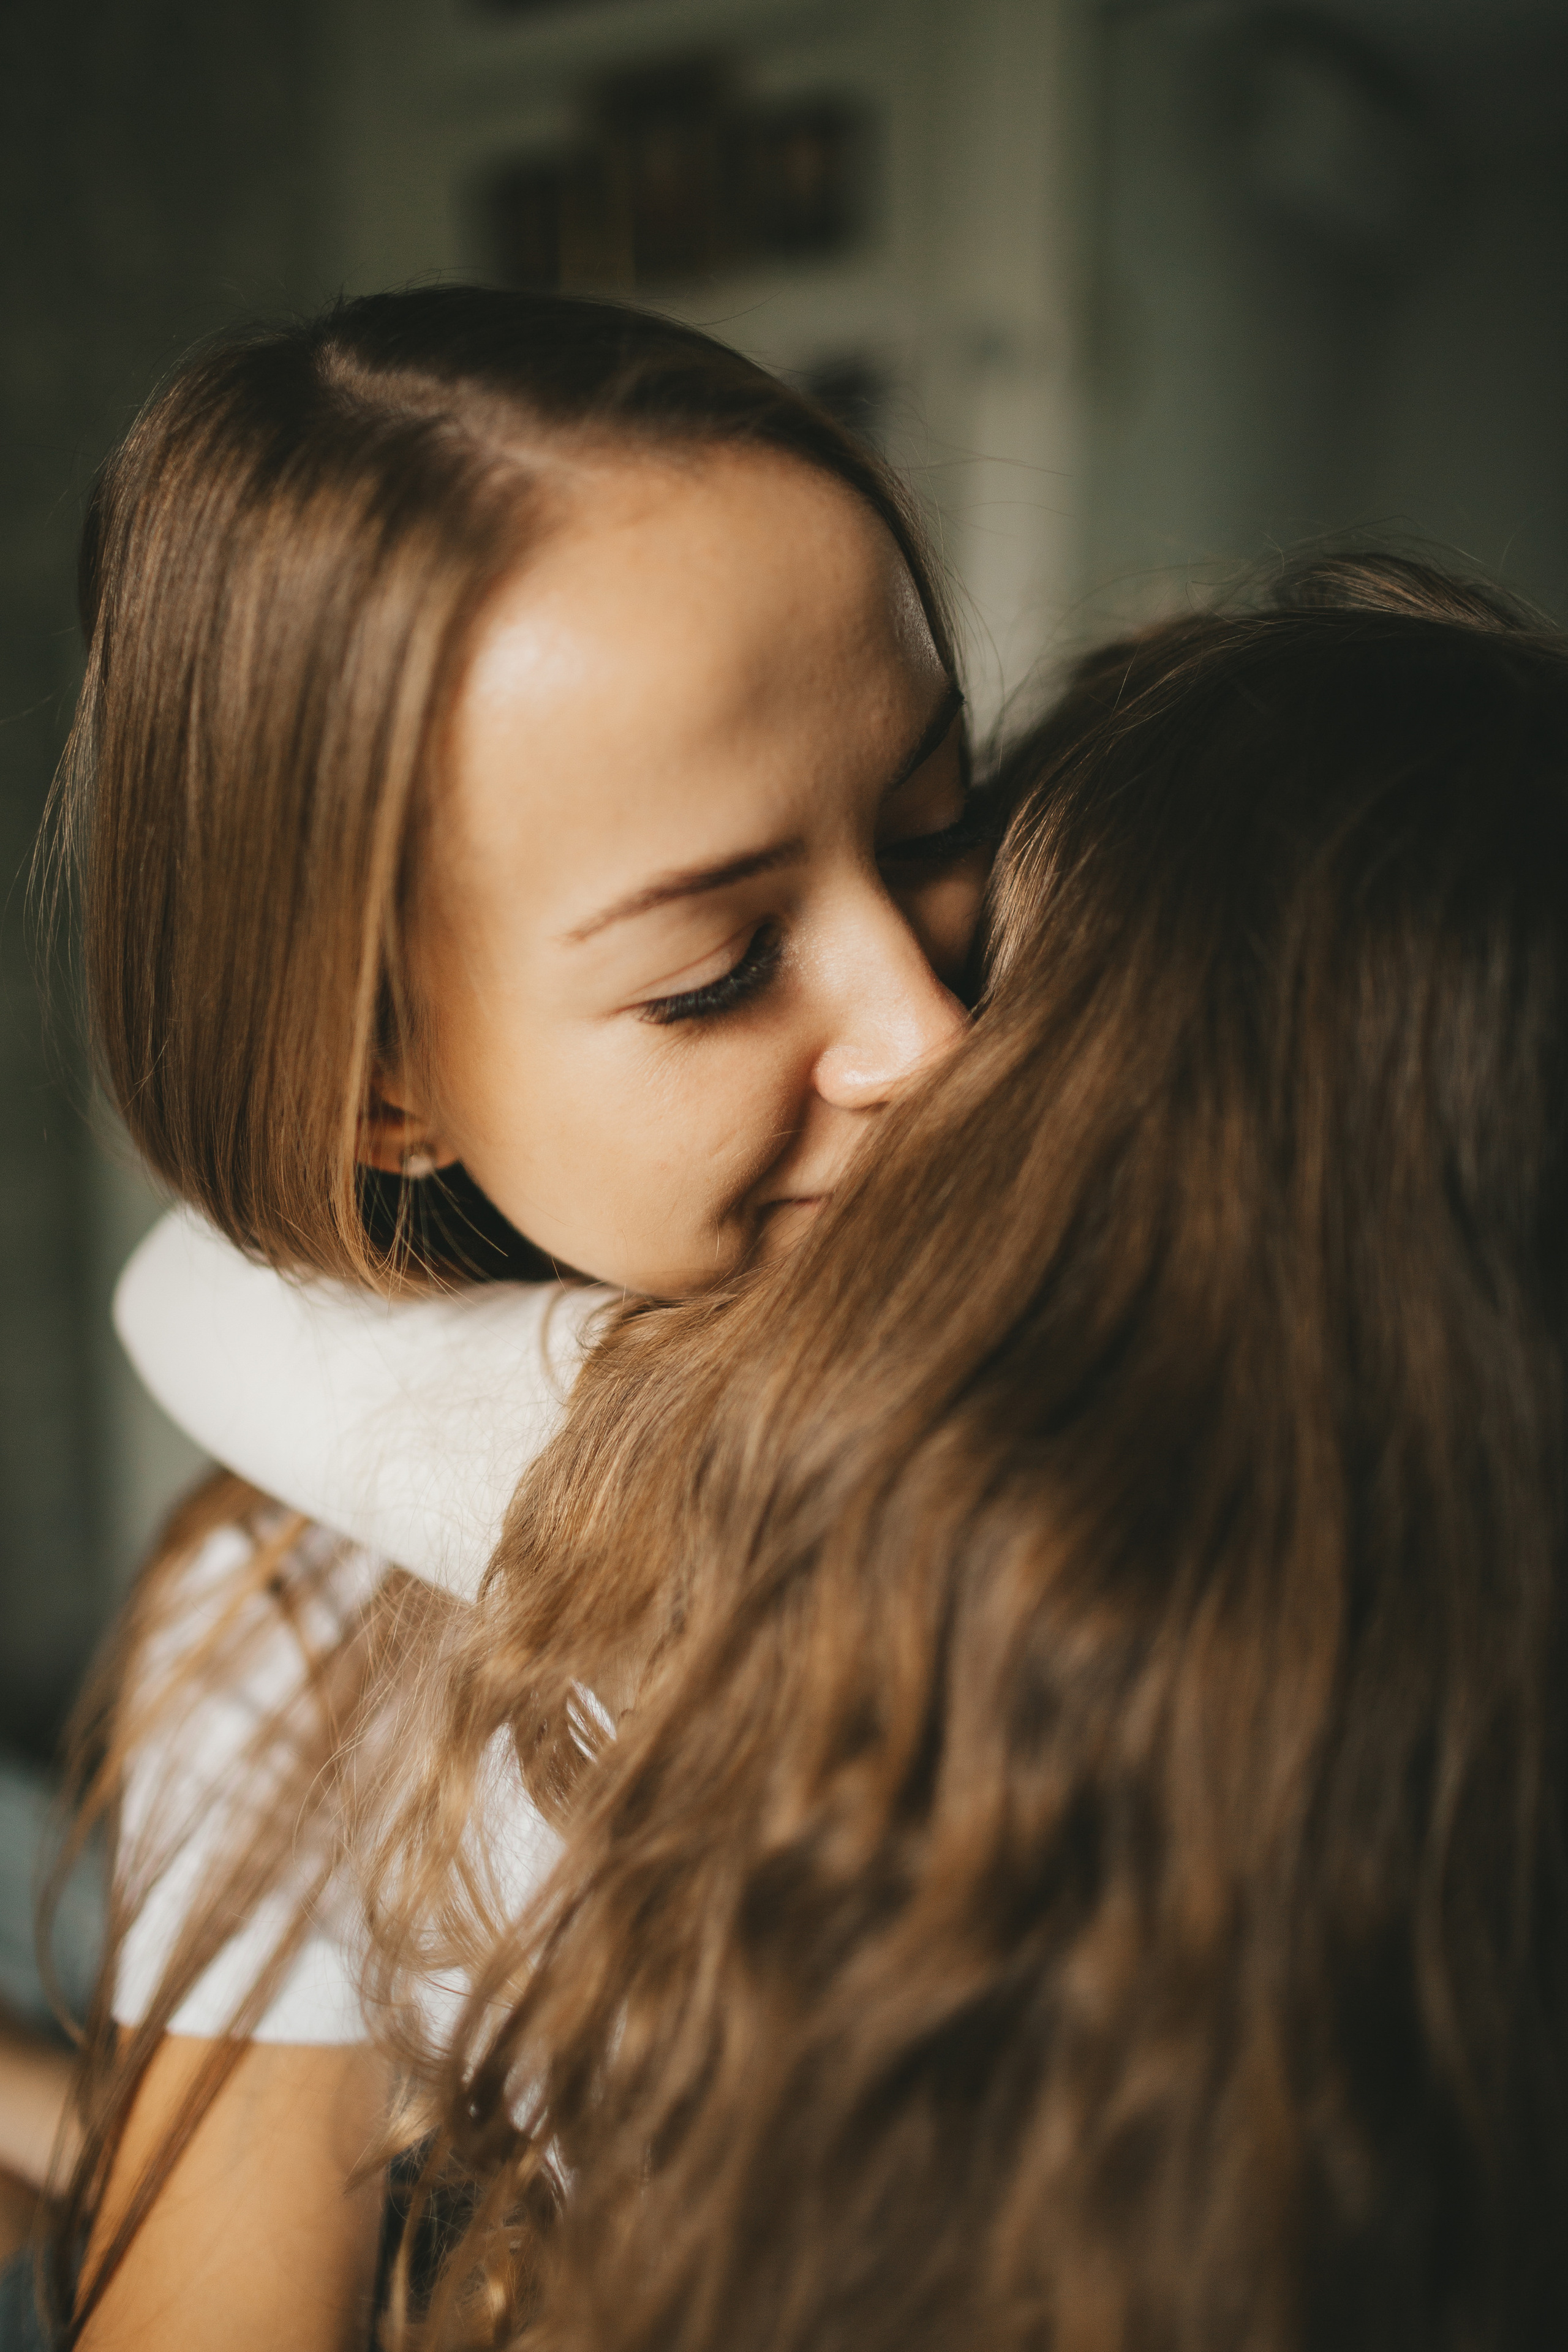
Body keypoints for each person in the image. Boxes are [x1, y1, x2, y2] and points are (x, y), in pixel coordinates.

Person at [350, 555, 1568, 2351]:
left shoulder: (739, 1526)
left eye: (954, 900)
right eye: (721, 965)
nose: (922, 1045)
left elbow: (204, 1305)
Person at [4, 281, 992, 2350]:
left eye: (937, 836)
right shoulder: (288, 1637)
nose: (929, 1031)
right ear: (386, 1080)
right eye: (718, 972)